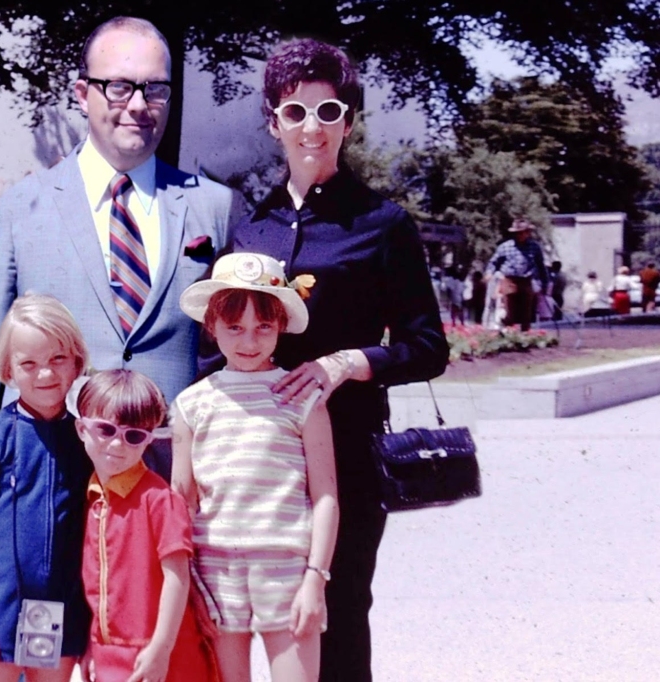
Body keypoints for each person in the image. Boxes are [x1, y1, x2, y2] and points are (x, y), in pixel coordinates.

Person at [206, 40, 448, 682]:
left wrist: (349, 361)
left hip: (344, 456)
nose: (311, 127)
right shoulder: (249, 225)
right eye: (295, 112)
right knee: (243, 620)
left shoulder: (384, 223)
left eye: (328, 110)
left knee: (335, 615)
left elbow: (429, 347)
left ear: (348, 120)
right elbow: (219, 339)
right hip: (252, 461)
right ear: (272, 120)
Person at [0, 15, 243, 509]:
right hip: (44, 488)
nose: (140, 106)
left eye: (156, 90)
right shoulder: (18, 210)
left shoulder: (214, 206)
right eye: (120, 87)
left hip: (174, 495)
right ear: (82, 94)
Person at [174, 252, 339, 682]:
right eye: (235, 327)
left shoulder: (301, 398)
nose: (249, 341)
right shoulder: (192, 404)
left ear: (280, 325)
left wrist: (315, 579)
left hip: (287, 570)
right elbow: (181, 501)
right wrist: (187, 583)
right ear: (211, 326)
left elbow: (325, 497)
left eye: (263, 327)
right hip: (215, 572)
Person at [0, 294, 92, 682]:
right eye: (29, 364)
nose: (45, 374)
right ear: (8, 370)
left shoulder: (88, 441)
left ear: (77, 361)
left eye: (57, 359)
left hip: (57, 608)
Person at [76, 369, 217, 682]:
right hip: (110, 654)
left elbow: (177, 577)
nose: (117, 444)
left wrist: (161, 648)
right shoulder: (94, 498)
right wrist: (90, 643)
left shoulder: (159, 499)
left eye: (134, 435)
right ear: (81, 428)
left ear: (149, 439)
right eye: (105, 429)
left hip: (162, 653)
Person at [488, 218, 549, 331]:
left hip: (526, 281)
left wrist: (544, 283)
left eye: (522, 232)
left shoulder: (534, 247)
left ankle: (525, 334)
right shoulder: (505, 246)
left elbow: (541, 266)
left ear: (528, 233)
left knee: (526, 310)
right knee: (510, 308)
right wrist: (489, 273)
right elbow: (494, 262)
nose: (519, 235)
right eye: (517, 233)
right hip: (509, 280)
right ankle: (508, 330)